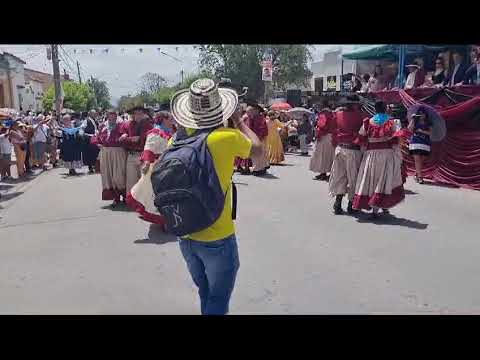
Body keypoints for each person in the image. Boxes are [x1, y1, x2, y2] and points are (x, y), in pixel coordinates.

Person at [169, 78, 263, 315]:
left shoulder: (177, 139)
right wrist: (239, 122)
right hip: (217, 235)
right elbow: (259, 150)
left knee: (205, 292)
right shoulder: (226, 137)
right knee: (218, 298)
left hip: (186, 232)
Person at [352, 101, 405, 218]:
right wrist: (397, 154)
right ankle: (382, 206)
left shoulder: (368, 122)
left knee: (371, 180)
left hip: (371, 155)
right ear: (386, 108)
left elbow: (361, 138)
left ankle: (376, 208)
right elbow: (398, 139)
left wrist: (364, 153)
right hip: (386, 154)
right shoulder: (392, 122)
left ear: (375, 109)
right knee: (384, 180)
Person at [127, 111, 175, 224]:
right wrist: (147, 163)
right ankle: (163, 219)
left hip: (168, 165)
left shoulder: (168, 131)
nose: (171, 121)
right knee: (156, 193)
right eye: (169, 119)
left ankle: (167, 218)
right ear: (163, 119)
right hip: (158, 167)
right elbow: (148, 149)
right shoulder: (155, 132)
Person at [328, 97, 364, 215]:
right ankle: (351, 204)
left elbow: (333, 131)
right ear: (355, 104)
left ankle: (337, 203)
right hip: (353, 149)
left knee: (339, 176)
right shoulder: (360, 116)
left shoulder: (337, 115)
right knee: (353, 178)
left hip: (340, 148)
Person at [93, 109, 128, 206]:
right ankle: (115, 198)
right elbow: (96, 136)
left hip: (118, 151)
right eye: (110, 115)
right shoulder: (102, 125)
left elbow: (127, 133)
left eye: (114, 115)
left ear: (116, 115)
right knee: (109, 175)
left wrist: (125, 135)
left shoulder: (122, 124)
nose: (112, 117)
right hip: (106, 152)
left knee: (119, 175)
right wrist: (97, 143)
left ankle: (125, 196)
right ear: (107, 116)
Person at [119, 106, 154, 194]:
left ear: (144, 114)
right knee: (131, 180)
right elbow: (121, 140)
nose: (138, 116)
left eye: (140, 113)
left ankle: (144, 203)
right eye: (136, 114)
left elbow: (150, 140)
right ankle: (132, 202)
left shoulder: (149, 125)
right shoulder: (127, 125)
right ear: (133, 115)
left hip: (143, 156)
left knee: (144, 180)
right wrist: (129, 138)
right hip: (131, 155)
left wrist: (140, 138)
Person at [309, 101, 336, 180]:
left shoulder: (323, 114)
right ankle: (329, 173)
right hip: (331, 136)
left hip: (324, 136)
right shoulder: (332, 113)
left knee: (322, 156)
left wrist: (317, 127)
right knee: (329, 156)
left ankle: (323, 173)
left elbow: (322, 125)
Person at [408, 108, 432, 184]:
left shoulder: (429, 122)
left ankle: (417, 173)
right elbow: (409, 129)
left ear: (426, 114)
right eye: (420, 113)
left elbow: (430, 133)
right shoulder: (415, 121)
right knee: (417, 160)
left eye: (423, 113)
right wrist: (412, 119)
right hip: (415, 142)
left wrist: (422, 131)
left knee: (422, 160)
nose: (421, 115)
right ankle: (420, 177)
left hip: (425, 143)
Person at [244, 104, 269, 176]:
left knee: (258, 154)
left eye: (250, 112)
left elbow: (261, 129)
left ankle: (258, 169)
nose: (249, 114)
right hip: (255, 138)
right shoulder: (253, 118)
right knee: (259, 154)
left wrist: (257, 138)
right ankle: (260, 168)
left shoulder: (259, 118)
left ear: (256, 111)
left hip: (258, 138)